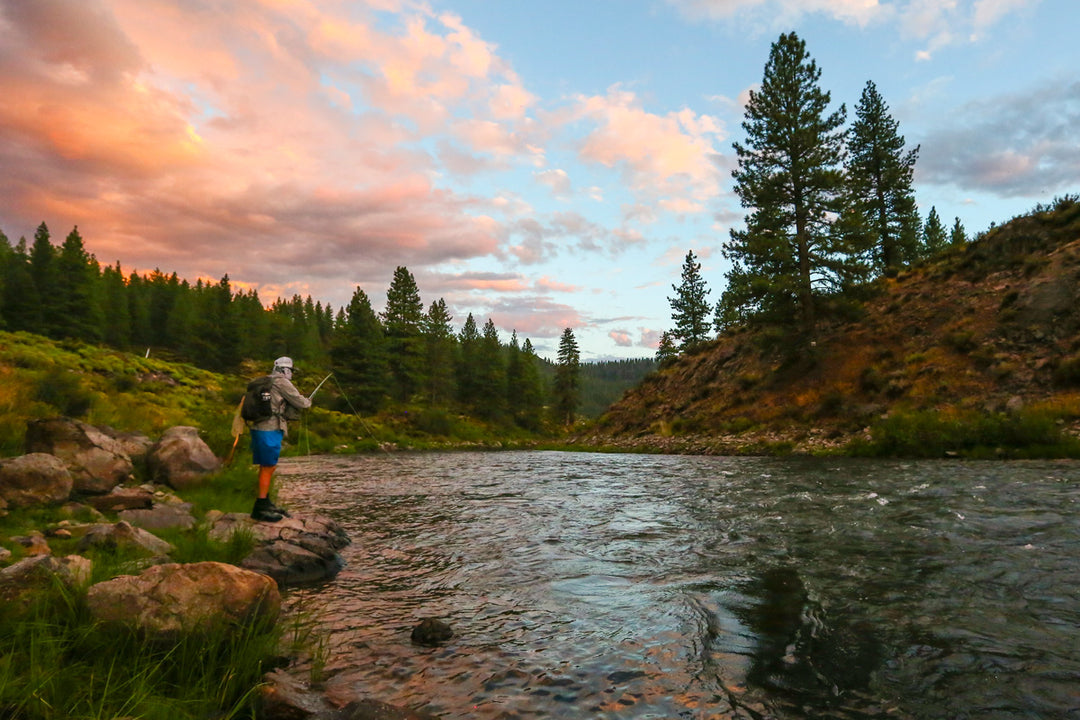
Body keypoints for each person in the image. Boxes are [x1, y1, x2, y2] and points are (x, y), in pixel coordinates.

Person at [249, 356, 312, 522]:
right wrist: (308, 401)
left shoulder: (264, 381)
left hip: (258, 428)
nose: (291, 373)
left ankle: (265, 501)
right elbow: (302, 403)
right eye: (290, 370)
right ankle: (260, 507)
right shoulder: (282, 382)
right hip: (270, 428)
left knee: (267, 466)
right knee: (268, 466)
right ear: (285, 370)